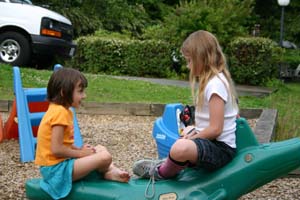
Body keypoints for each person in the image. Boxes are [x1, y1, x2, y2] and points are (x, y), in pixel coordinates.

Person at [133, 30, 239, 181]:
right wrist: (194, 131)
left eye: (189, 60)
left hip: (221, 150)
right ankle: (169, 163)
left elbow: (216, 129)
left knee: (180, 147)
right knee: (186, 131)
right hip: (212, 144)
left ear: (202, 58)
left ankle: (161, 172)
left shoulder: (215, 85)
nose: (188, 66)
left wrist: (192, 139)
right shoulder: (212, 81)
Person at [35, 68, 130, 199]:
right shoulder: (59, 113)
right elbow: (56, 149)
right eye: (80, 91)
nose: (84, 96)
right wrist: (81, 154)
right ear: (64, 92)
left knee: (100, 148)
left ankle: (109, 171)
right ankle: (108, 172)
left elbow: (64, 143)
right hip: (56, 171)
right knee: (104, 157)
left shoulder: (62, 110)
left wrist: (80, 149)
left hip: (61, 165)